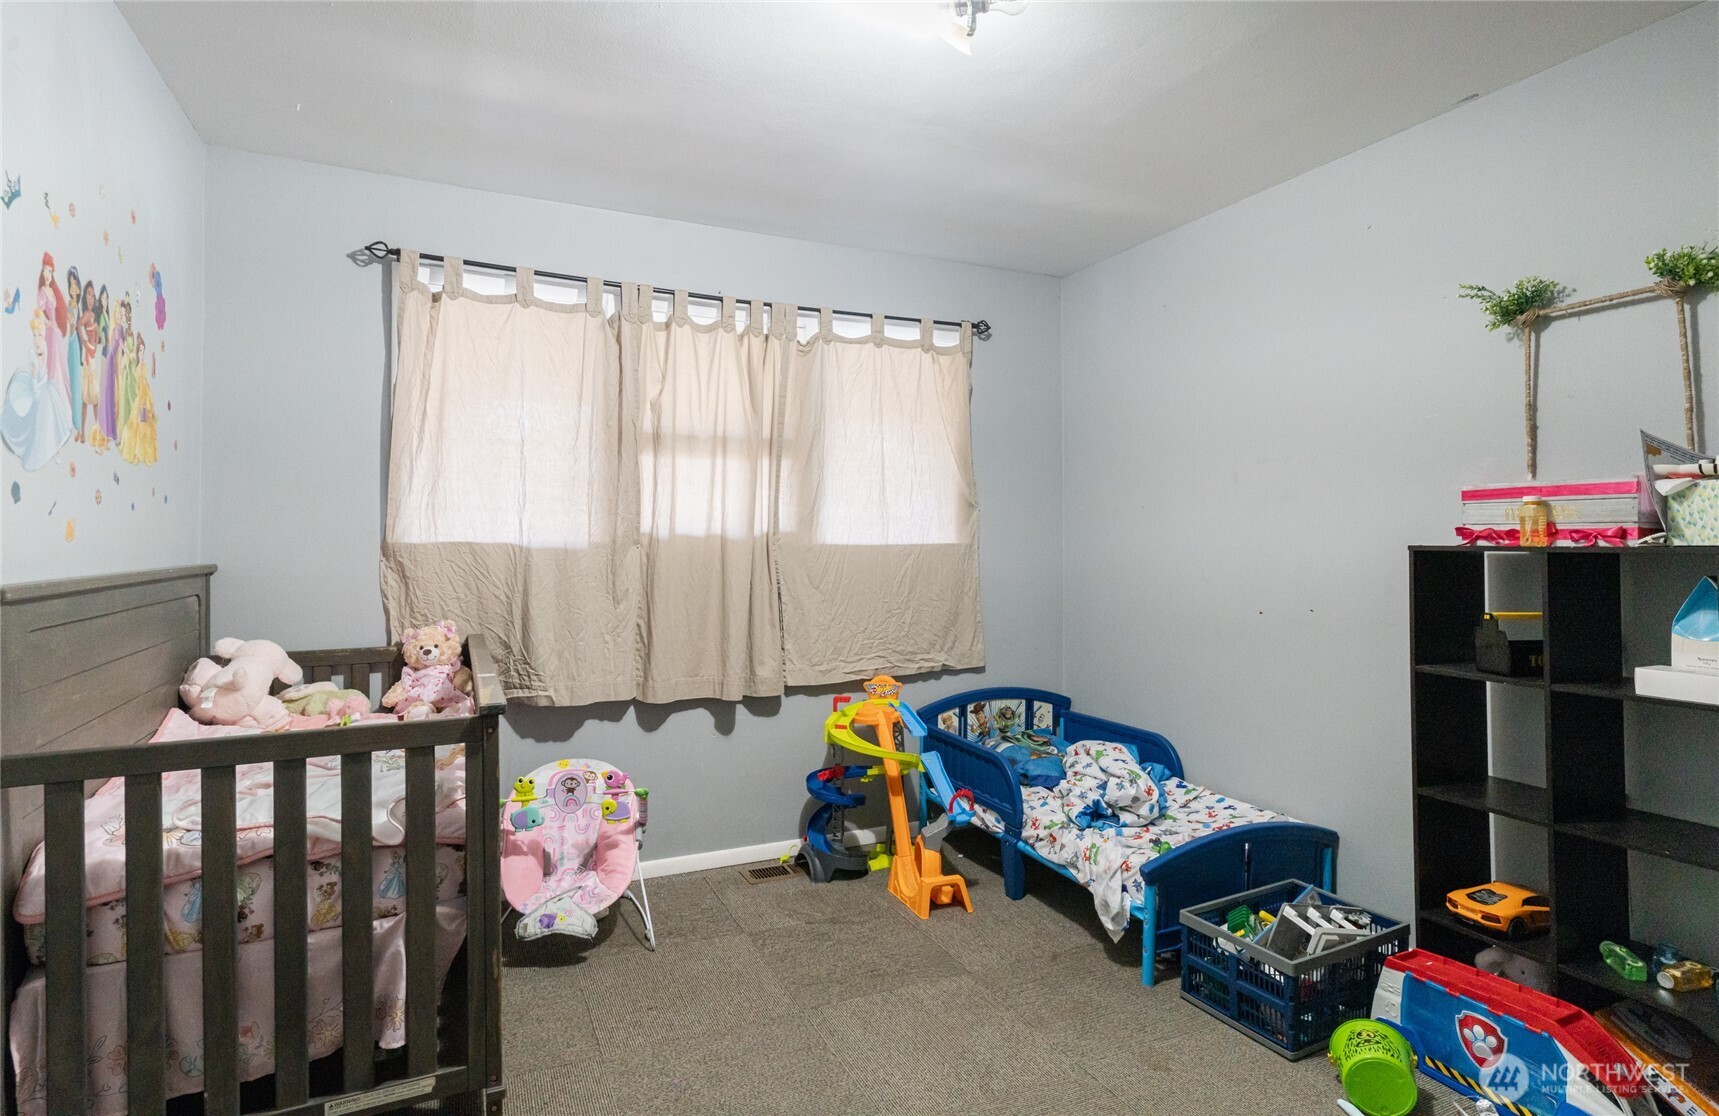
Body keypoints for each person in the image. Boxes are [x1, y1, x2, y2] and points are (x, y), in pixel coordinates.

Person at [64, 268, 84, 441]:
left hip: (76, 344)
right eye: (71, 284)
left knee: (76, 384)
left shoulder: (76, 305)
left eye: (75, 284)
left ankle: (76, 426)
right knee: (73, 383)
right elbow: (71, 327)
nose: (73, 288)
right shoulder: (71, 305)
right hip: (72, 344)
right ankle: (74, 425)